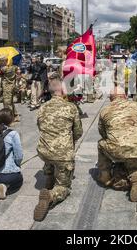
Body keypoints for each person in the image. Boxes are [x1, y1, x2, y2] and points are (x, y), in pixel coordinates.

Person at [33, 79, 83, 222]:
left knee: (50, 155)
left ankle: (49, 176)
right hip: (62, 155)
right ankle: (51, 195)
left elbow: (40, 127)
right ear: (62, 89)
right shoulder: (71, 107)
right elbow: (78, 132)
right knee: (64, 186)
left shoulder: (42, 107)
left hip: (43, 151)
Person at [96, 86, 137, 203]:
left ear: (111, 98)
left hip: (115, 152)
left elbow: (102, 133)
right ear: (125, 96)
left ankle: (106, 177)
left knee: (101, 144)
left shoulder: (104, 111)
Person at [0, 56, 19, 122]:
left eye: (1, 61)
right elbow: (17, 71)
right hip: (12, 86)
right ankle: (15, 115)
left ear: (4, 61)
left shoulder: (4, 68)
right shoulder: (14, 67)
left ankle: (9, 118)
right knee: (11, 102)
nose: (0, 62)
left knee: (7, 103)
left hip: (7, 87)